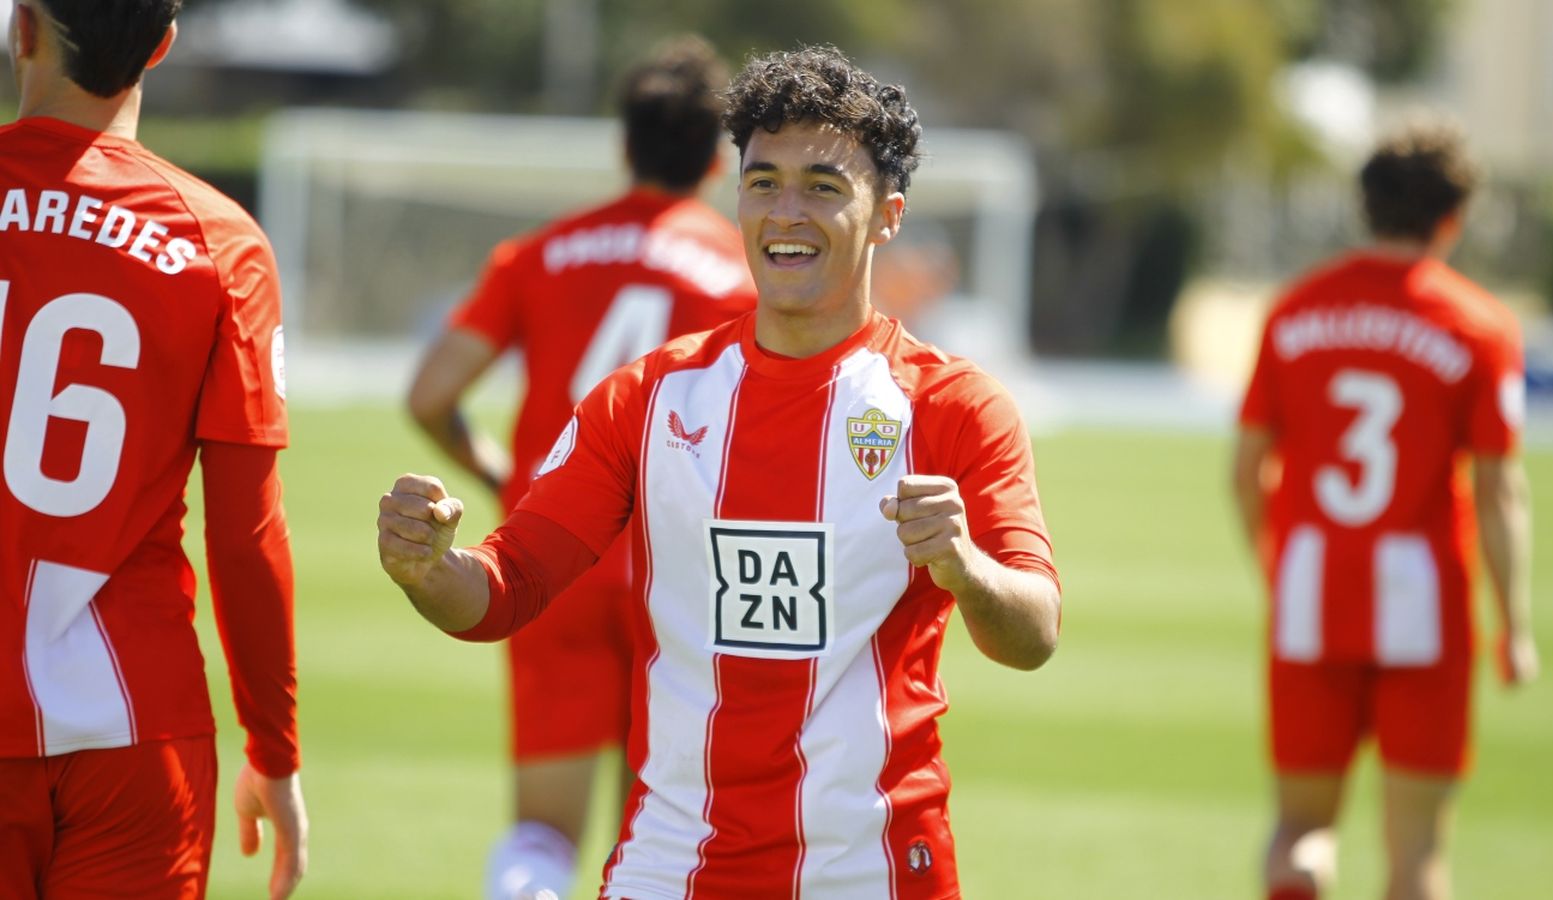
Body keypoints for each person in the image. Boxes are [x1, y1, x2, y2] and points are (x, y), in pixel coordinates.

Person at [378, 45, 1060, 898]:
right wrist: (430, 569)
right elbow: (505, 587)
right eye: (763, 180)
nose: (786, 212)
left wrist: (967, 571)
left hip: (876, 870)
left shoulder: (958, 406)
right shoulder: (645, 398)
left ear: (888, 215)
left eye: (822, 185)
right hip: (672, 867)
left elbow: (1033, 632)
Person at [405, 35, 756, 900]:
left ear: (623, 146)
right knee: (668, 842)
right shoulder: (746, 276)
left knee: (539, 844)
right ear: (718, 159)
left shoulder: (539, 254)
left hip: (551, 560)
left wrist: (502, 476)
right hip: (678, 577)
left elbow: (429, 394)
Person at [0, 2, 308, 898]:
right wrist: (275, 754)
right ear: (163, 47)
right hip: (136, 733)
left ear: (23, 30)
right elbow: (249, 534)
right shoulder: (220, 242)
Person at [1232, 123, 1536, 900]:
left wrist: (1275, 561)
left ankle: (1301, 876)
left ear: (1364, 207)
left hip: (1312, 587)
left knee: (1300, 829)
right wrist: (1516, 626)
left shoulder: (1295, 311)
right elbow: (1502, 490)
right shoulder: (1479, 328)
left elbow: (1245, 468)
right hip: (1422, 605)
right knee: (1418, 853)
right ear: (1453, 218)